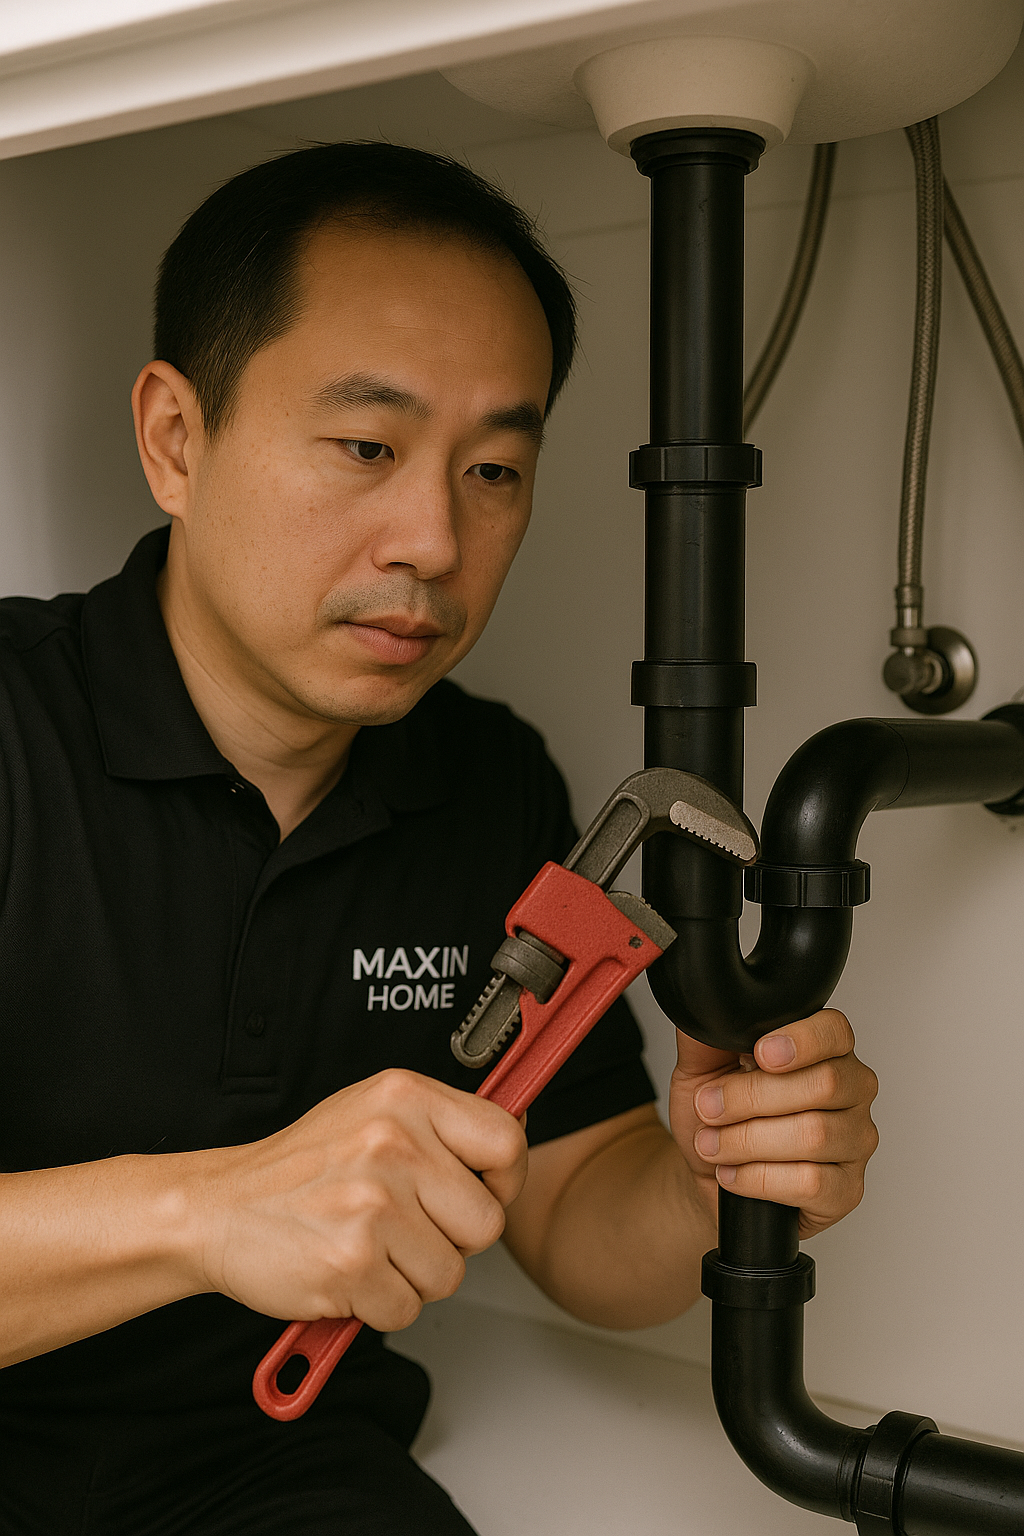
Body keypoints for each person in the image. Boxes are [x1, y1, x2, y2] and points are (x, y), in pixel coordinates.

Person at [0, 142, 878, 1535]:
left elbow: (573, 1206)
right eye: (366, 447)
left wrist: (718, 1178)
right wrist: (205, 1213)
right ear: (177, 437)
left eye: (494, 471)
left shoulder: (484, 786)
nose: (432, 538)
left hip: (274, 1479)